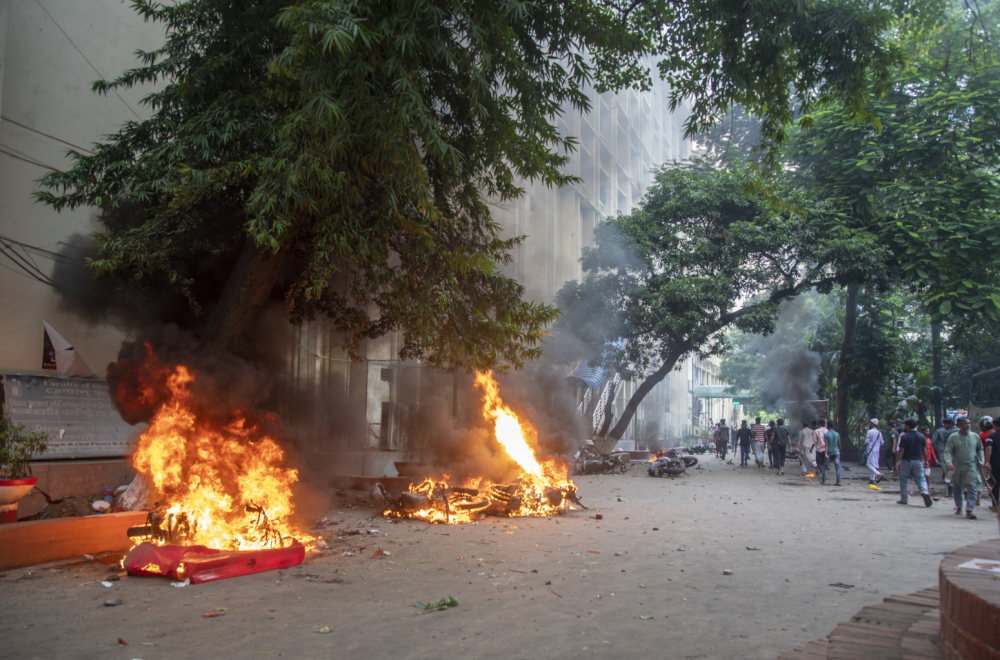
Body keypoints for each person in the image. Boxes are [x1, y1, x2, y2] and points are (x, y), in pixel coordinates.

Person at [943, 416, 985, 520]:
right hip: (957, 466)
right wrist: (948, 463)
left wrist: (981, 461)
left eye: (969, 423)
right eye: (966, 423)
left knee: (972, 487)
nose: (968, 425)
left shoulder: (975, 436)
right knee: (957, 487)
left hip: (971, 466)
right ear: (960, 425)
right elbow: (948, 451)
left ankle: (969, 510)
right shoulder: (953, 437)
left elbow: (980, 449)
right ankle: (959, 506)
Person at [895, 418, 933, 507]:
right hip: (918, 461)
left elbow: (901, 450)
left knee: (904, 480)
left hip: (906, 460)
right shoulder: (921, 436)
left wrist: (897, 461)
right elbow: (924, 449)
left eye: (904, 425)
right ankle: (924, 492)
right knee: (920, 478)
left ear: (907, 426)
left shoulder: (904, 436)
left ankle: (904, 499)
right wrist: (926, 461)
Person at [932, 418, 955, 495]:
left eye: (945, 424)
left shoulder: (941, 431)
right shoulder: (959, 431)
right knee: (951, 470)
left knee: (948, 470)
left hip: (945, 452)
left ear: (950, 424)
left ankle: (950, 489)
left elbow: (934, 440)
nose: (944, 426)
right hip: (955, 454)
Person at [984, 423, 1000, 511]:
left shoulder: (991, 436)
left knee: (996, 484)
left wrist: (987, 462)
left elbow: (989, 448)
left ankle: (996, 505)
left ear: (995, 425)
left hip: (996, 464)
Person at [864, 419, 885, 485]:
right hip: (877, 450)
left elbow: (867, 442)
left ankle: (878, 474)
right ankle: (872, 479)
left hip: (871, 450)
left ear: (872, 424)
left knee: (869, 464)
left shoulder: (869, 432)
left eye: (870, 423)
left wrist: (864, 445)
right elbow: (882, 442)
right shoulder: (879, 433)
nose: (869, 424)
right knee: (873, 464)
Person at [920, 425, 937, 494]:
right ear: (923, 432)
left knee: (926, 471)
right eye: (927, 431)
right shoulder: (921, 439)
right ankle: (928, 484)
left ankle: (926, 484)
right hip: (923, 458)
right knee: (926, 472)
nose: (928, 432)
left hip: (929, 458)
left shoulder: (929, 439)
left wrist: (935, 458)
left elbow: (931, 449)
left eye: (929, 431)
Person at [813, 418, 829, 483]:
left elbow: (814, 441)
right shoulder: (827, 431)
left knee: (818, 463)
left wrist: (811, 448)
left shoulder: (816, 431)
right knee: (825, 463)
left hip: (819, 449)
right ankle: (823, 474)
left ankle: (822, 473)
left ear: (819, 424)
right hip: (826, 450)